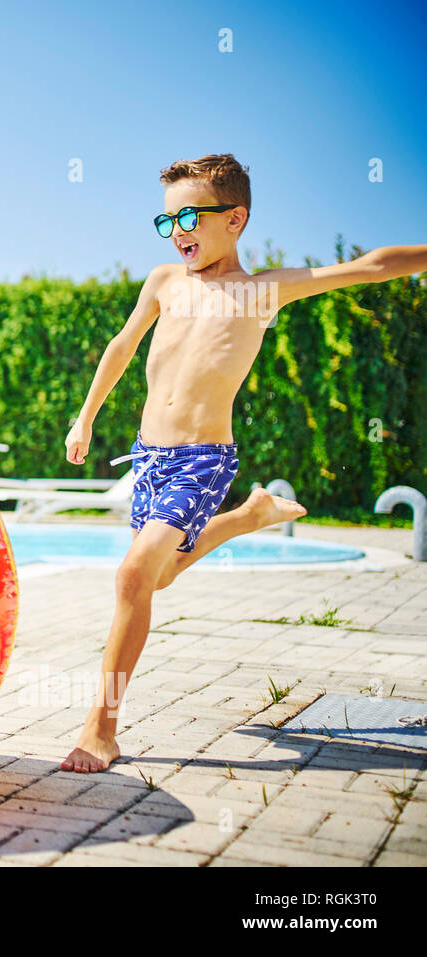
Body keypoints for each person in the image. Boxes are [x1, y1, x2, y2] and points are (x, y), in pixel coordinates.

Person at [60, 153, 427, 772]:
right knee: (160, 577)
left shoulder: (262, 291)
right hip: (149, 456)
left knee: (132, 577)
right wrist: (86, 415)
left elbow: (368, 266)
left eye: (190, 217)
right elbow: (122, 346)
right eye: (167, 219)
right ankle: (248, 516)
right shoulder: (163, 282)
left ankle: (101, 727)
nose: (177, 231)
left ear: (235, 218)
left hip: (203, 459)